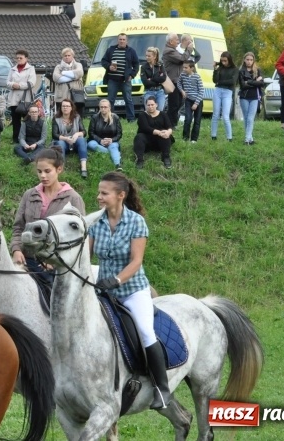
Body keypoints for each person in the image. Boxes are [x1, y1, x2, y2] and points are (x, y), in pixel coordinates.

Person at [89, 171, 170, 410]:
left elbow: (136, 261)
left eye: (104, 193)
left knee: (146, 332)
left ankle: (162, 390)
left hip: (132, 290)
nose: (99, 197)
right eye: (99, 192)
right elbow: (86, 253)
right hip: (104, 291)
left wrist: (115, 280)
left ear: (120, 195)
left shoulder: (136, 222)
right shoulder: (96, 221)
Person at [11, 147, 85, 290]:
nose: (43, 176)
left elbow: (80, 238)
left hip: (57, 268)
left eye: (47, 171)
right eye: (39, 172)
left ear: (59, 169)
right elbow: (18, 227)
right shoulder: (29, 195)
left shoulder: (73, 198)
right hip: (27, 260)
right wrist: (16, 250)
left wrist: (56, 261)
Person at [162, 32, 200, 127]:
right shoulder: (169, 51)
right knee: (174, 104)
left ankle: (171, 123)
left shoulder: (173, 50)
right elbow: (182, 59)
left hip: (178, 81)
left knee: (179, 103)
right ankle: (170, 124)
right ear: (171, 41)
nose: (178, 41)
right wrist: (189, 49)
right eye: (176, 40)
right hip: (172, 81)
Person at [101, 33, 140, 122]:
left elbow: (136, 64)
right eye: (120, 39)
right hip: (112, 80)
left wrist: (132, 75)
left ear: (127, 41)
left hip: (125, 80)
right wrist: (109, 66)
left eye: (123, 39)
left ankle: (131, 119)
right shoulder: (111, 49)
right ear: (117, 40)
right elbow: (103, 61)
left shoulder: (131, 51)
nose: (122, 41)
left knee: (128, 99)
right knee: (110, 100)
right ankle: (109, 118)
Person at [6, 50, 37, 144]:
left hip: (26, 99)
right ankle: (16, 139)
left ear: (26, 58)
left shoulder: (31, 69)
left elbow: (31, 83)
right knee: (15, 120)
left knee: (27, 119)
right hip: (14, 99)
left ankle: (29, 138)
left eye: (21, 58)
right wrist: (12, 85)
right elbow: (7, 82)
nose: (19, 60)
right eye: (17, 58)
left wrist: (19, 86)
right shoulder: (12, 69)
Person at [52, 99, 88, 178]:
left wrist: (77, 134)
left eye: (67, 106)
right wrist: (66, 139)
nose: (65, 108)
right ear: (61, 108)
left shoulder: (77, 117)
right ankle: (61, 168)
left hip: (75, 142)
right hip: (63, 142)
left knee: (81, 140)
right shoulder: (56, 118)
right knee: (60, 143)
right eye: (63, 106)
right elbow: (54, 135)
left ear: (71, 108)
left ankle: (84, 168)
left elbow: (84, 132)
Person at [134, 98, 173, 170]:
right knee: (139, 137)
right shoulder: (142, 115)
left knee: (165, 135)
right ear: (146, 106)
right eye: (148, 105)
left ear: (156, 105)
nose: (150, 106)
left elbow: (169, 126)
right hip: (146, 141)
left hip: (160, 141)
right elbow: (145, 128)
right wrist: (159, 132)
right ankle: (139, 160)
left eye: (152, 104)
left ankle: (166, 157)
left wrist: (168, 132)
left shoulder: (163, 114)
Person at [238, 52, 265, 146]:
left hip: (255, 97)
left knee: (250, 118)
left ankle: (247, 139)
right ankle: (250, 138)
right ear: (244, 60)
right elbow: (243, 85)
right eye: (247, 59)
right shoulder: (241, 71)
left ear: (253, 61)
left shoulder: (257, 70)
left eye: (251, 60)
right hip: (244, 97)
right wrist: (255, 81)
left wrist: (249, 81)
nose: (249, 62)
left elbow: (261, 83)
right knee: (246, 118)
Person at [87, 99, 122, 170]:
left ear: (109, 108)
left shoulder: (115, 117)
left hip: (112, 141)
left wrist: (112, 140)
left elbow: (119, 134)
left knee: (113, 146)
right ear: (99, 108)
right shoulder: (95, 117)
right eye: (101, 107)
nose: (103, 109)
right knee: (91, 144)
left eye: (105, 107)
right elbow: (91, 133)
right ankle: (112, 153)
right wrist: (100, 141)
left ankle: (118, 165)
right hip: (97, 141)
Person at [211, 51, 237, 141]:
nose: (223, 62)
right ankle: (213, 135)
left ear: (229, 60)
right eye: (222, 61)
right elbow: (215, 80)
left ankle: (229, 137)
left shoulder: (234, 69)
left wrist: (220, 82)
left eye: (225, 61)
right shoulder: (220, 68)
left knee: (225, 116)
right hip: (218, 90)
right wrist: (215, 69)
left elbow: (232, 81)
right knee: (215, 114)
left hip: (227, 92)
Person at [53, 47, 84, 115]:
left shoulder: (78, 65)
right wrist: (74, 77)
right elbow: (57, 78)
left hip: (76, 97)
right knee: (60, 116)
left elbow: (80, 73)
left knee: (77, 116)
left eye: (69, 55)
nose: (67, 57)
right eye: (65, 55)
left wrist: (64, 73)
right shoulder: (58, 67)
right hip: (61, 97)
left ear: (72, 56)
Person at [178, 62, 204, 143]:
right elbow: (178, 83)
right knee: (188, 119)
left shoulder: (197, 77)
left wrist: (196, 103)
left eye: (186, 68)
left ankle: (194, 139)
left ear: (192, 68)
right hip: (188, 100)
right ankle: (185, 138)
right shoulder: (182, 75)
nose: (184, 69)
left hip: (197, 101)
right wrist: (182, 91)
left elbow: (201, 90)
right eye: (183, 67)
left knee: (197, 121)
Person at [140, 46, 167, 112]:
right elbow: (145, 82)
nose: (147, 57)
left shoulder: (160, 65)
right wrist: (158, 80)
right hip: (149, 91)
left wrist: (151, 79)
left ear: (154, 57)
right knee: (149, 111)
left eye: (149, 56)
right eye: (146, 56)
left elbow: (163, 78)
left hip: (160, 91)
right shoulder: (143, 67)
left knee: (160, 110)